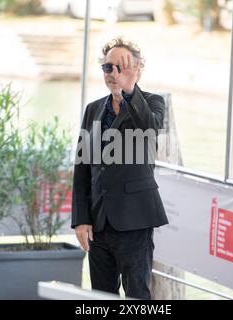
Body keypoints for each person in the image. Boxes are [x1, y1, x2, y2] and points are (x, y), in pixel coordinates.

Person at [71, 37, 168, 299]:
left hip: (134, 221)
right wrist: (80, 218)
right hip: (98, 223)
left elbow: (150, 128)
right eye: (107, 67)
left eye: (120, 67)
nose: (113, 73)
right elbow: (82, 168)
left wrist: (129, 91)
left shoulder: (152, 102)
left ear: (136, 69)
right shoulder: (93, 110)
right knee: (101, 297)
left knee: (137, 296)